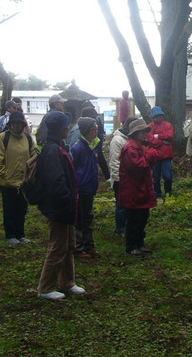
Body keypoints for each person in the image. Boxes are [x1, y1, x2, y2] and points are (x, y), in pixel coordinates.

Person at [36, 111, 85, 301]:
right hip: (59, 207)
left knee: (69, 245)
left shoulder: (59, 146)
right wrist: (66, 201)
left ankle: (68, 282)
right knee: (57, 247)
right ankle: (46, 287)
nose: (69, 127)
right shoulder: (52, 151)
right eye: (66, 125)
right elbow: (56, 182)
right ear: (60, 129)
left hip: (66, 206)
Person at [0, 111, 34, 245]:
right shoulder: (3, 138)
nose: (16, 126)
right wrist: (4, 174)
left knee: (22, 209)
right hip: (7, 182)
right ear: (10, 125)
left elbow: (33, 156)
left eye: (19, 124)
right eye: (14, 124)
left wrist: (31, 175)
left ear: (23, 125)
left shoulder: (27, 138)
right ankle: (10, 234)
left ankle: (20, 234)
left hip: (23, 182)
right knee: (9, 209)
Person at [119, 118, 160, 256]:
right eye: (142, 132)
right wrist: (152, 154)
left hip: (141, 189)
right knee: (133, 220)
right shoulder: (131, 148)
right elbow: (138, 166)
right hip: (133, 190)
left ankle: (140, 244)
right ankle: (131, 247)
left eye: (146, 131)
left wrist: (150, 154)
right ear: (135, 133)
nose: (145, 134)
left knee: (142, 218)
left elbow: (147, 164)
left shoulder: (141, 146)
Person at [71, 117, 109, 258]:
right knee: (80, 219)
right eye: (94, 128)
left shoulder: (93, 145)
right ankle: (78, 248)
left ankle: (89, 246)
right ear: (87, 130)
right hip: (80, 189)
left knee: (88, 217)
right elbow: (72, 169)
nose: (96, 131)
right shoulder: (78, 148)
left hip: (89, 188)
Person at [108, 116, 137, 235]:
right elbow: (114, 162)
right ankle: (120, 228)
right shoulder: (117, 141)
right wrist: (117, 179)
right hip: (120, 178)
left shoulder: (129, 139)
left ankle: (126, 226)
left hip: (129, 178)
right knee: (121, 204)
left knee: (128, 204)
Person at [147, 106, 174, 198]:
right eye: (157, 116)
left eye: (160, 115)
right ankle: (157, 194)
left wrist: (158, 136)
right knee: (156, 177)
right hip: (155, 156)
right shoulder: (149, 127)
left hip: (166, 156)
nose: (159, 117)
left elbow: (170, 135)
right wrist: (163, 141)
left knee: (168, 176)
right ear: (153, 117)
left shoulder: (168, 125)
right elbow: (150, 140)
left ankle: (168, 194)